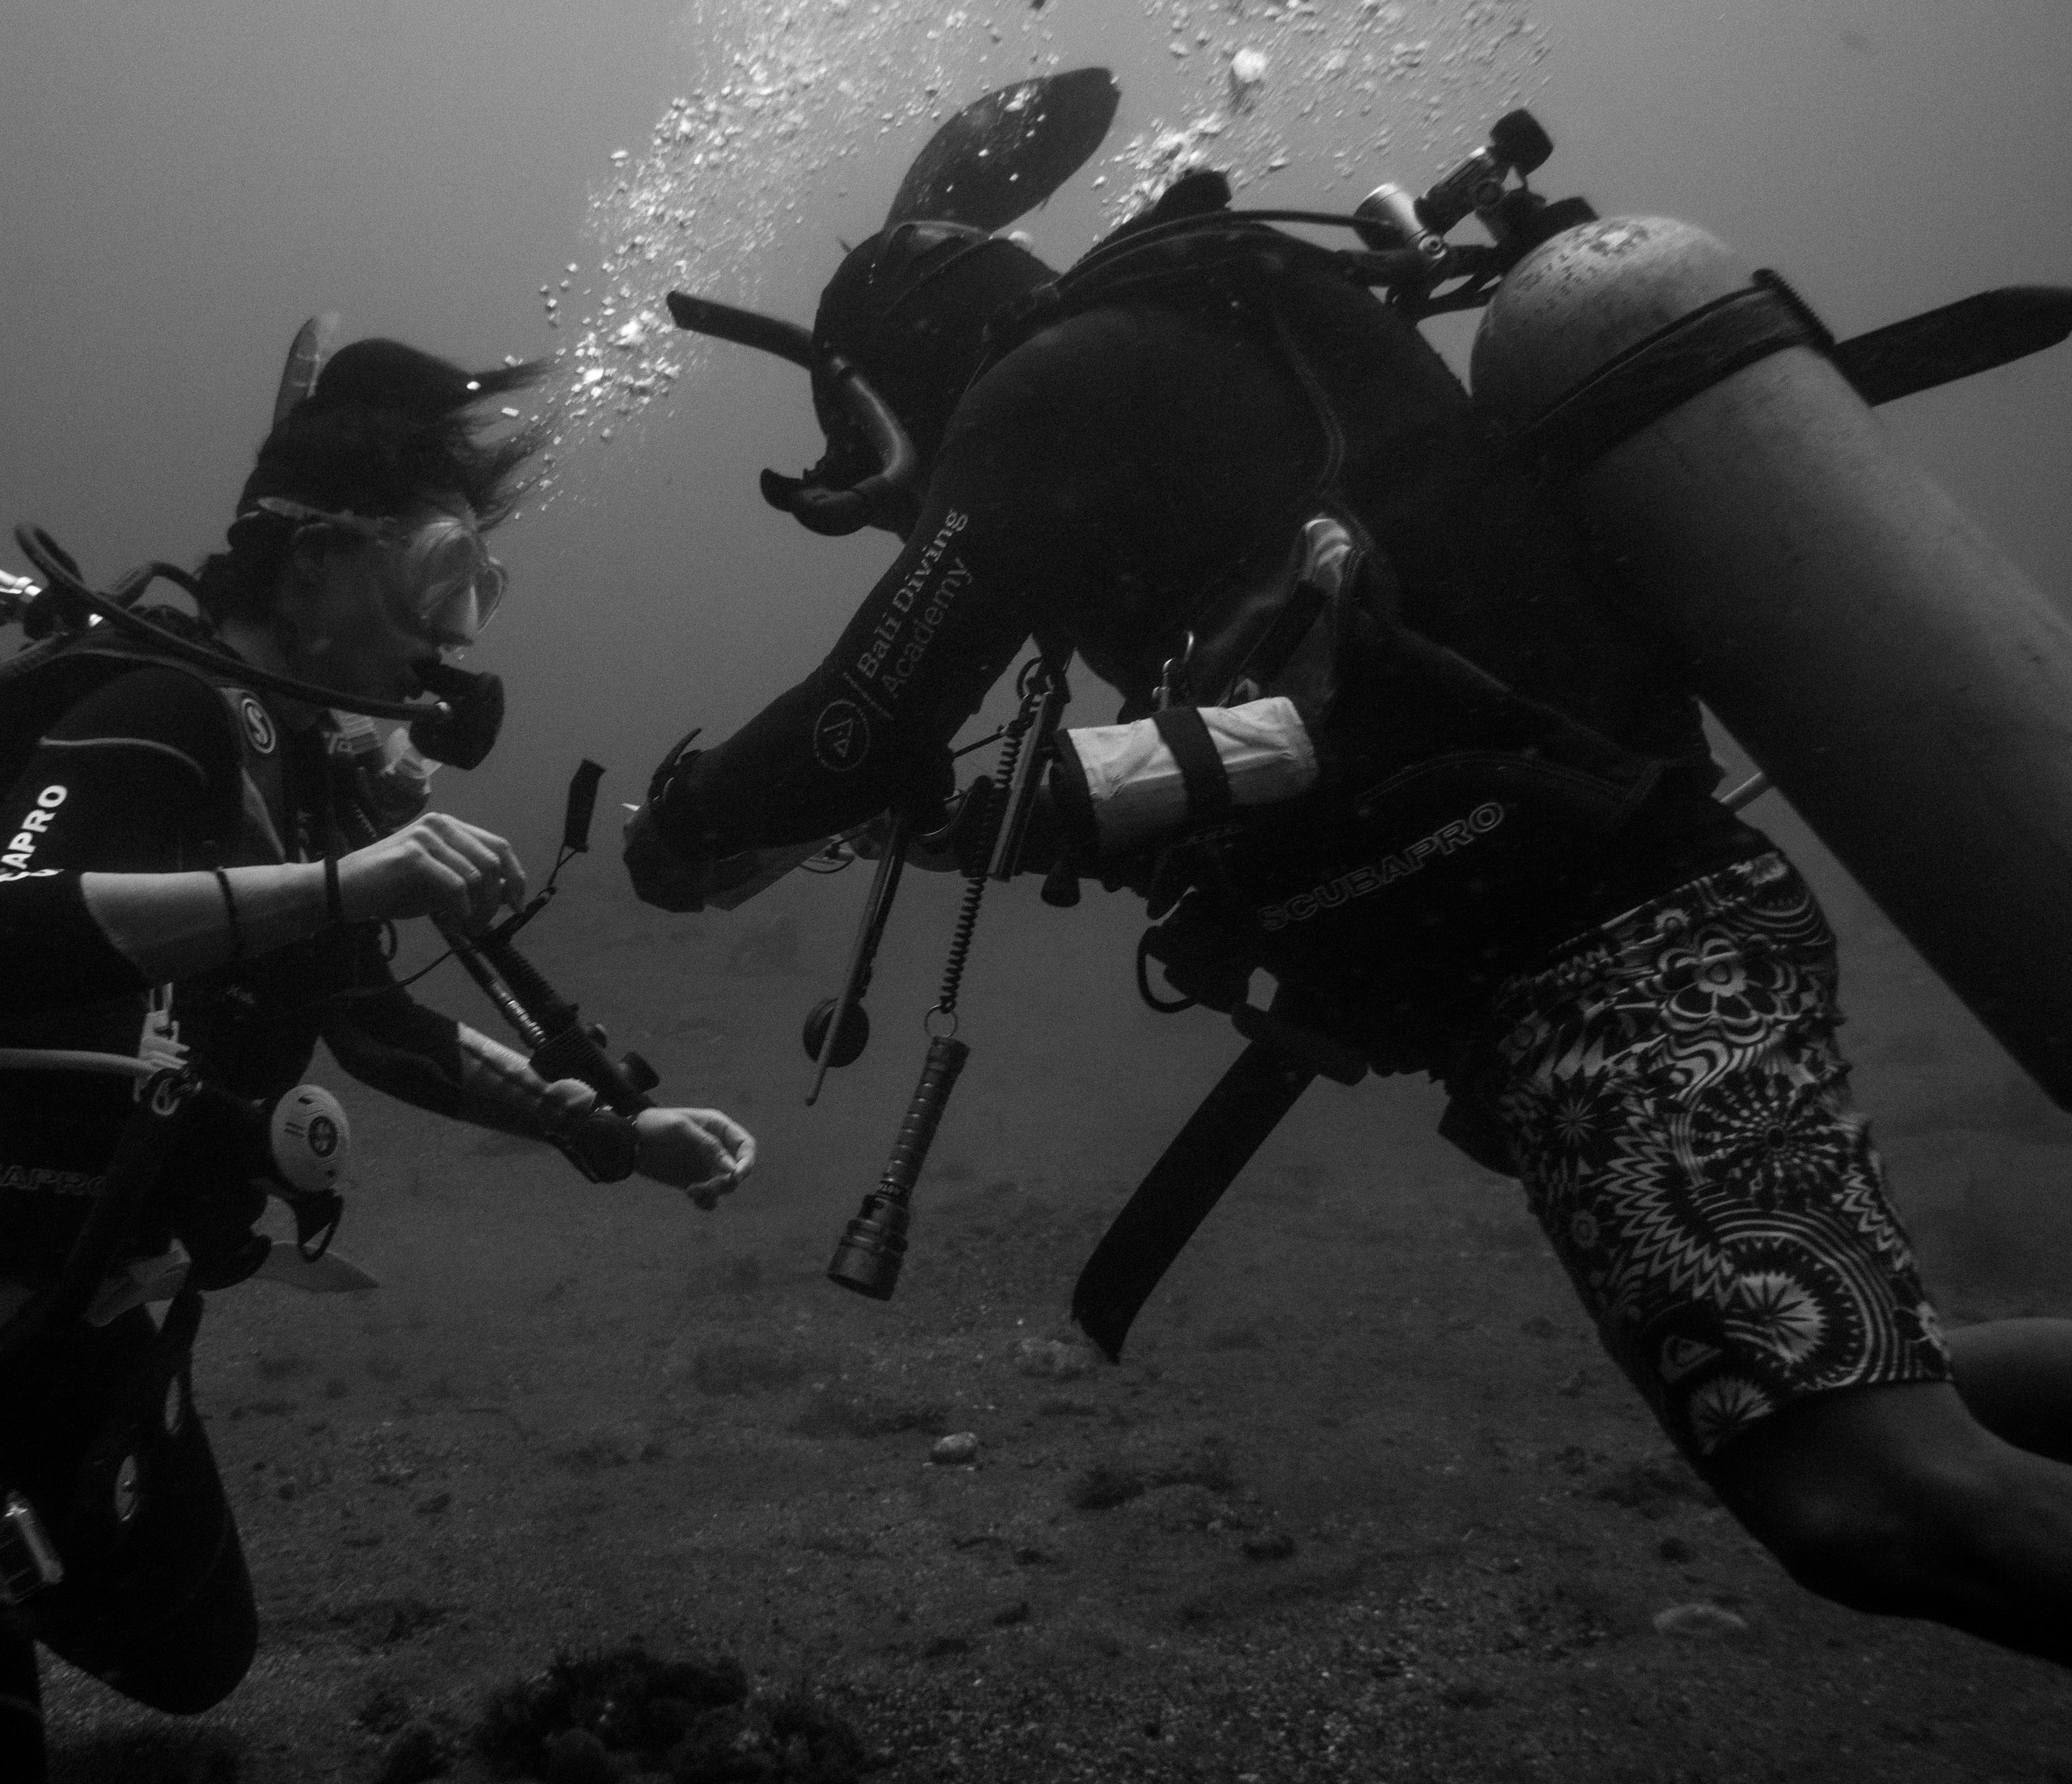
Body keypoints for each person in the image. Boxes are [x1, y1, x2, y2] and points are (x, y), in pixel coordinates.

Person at [624, 159, 2072, 1666]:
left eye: (869, 449)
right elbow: (1295, 748)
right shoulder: (1192, 381)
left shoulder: (1046, 393)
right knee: (1860, 1389)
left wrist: (682, 831)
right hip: (1615, 927)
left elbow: (854, 727)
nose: (902, 493)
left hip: (1611, 955)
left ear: (886, 382)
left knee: (1870, 1499)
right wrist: (986, 825)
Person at [0, 336, 757, 1784]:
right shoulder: (162, 704)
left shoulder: (296, 768)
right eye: (439, 577)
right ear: (322, 566)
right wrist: (348, 884)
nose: (455, 635)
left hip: (77, 1334)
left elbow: (379, 1028)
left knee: (195, 1656)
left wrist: (612, 1131)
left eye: (481, 589)